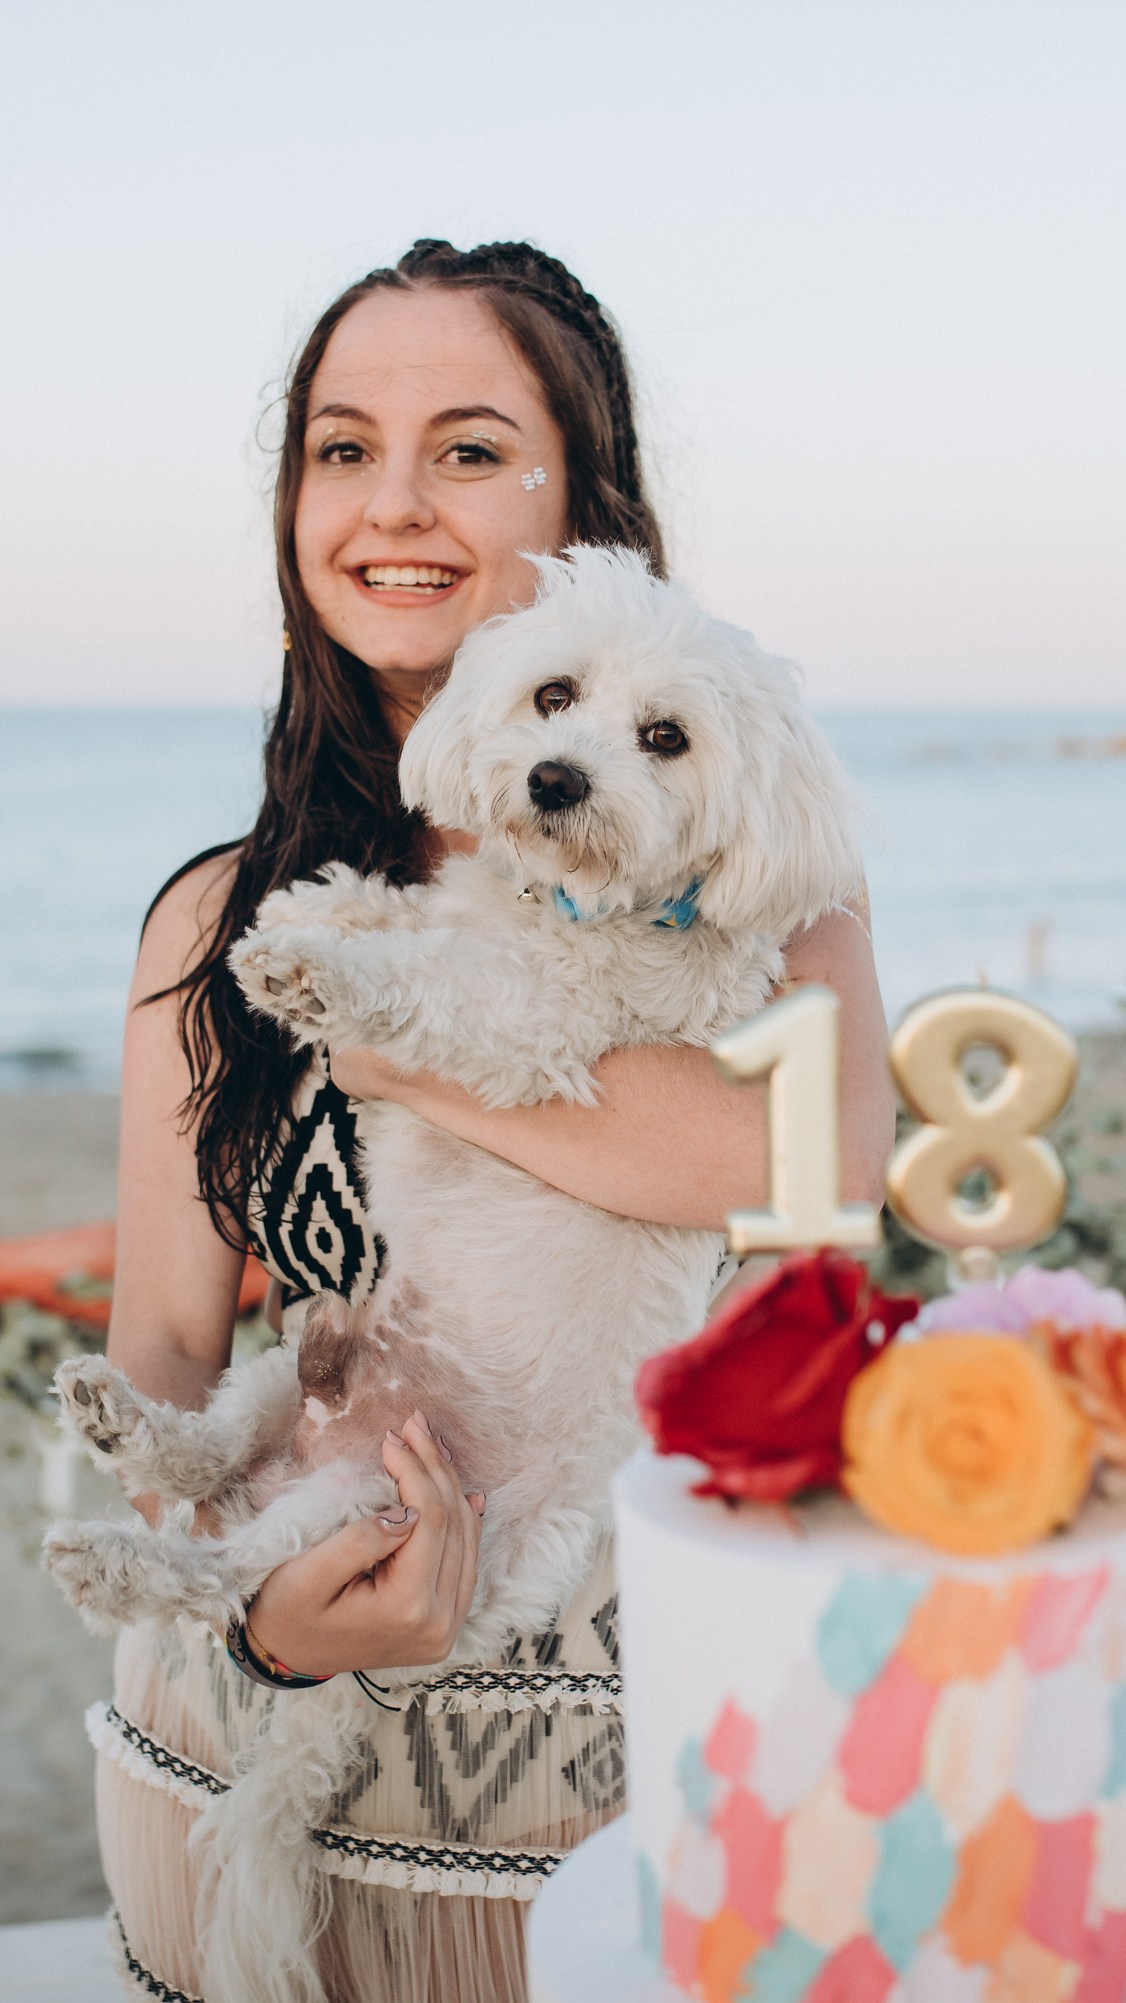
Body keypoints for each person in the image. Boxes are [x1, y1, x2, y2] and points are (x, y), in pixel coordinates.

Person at [95, 238, 894, 2003]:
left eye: (466, 448)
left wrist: (399, 1050)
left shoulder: (758, 892)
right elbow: (160, 1336)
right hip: (241, 1738)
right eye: (337, 447)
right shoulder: (212, 922)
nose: (391, 504)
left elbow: (813, 1173)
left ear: (581, 504)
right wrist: (249, 1618)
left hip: (633, 1823)